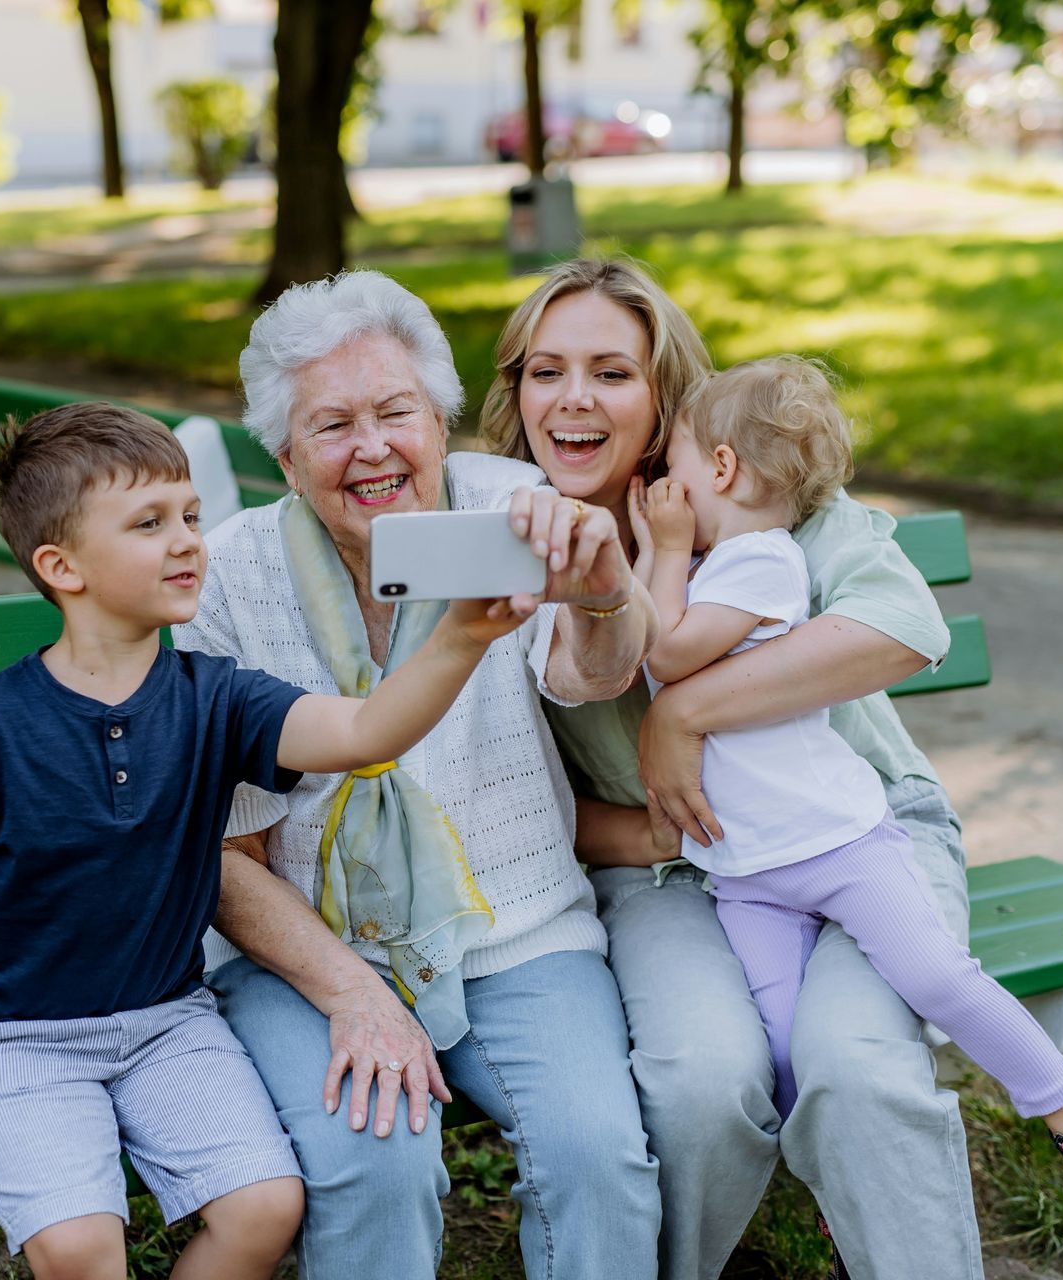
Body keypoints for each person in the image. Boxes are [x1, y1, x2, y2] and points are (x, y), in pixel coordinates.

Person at [0, 402, 533, 1280]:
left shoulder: (218, 699)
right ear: (62, 567)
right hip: (11, 1040)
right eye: (149, 523)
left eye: (192, 516)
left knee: (264, 1207)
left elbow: (364, 732)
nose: (187, 542)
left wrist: (465, 634)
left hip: (167, 1024)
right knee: (81, 1247)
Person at [479, 256, 983, 1279]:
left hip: (856, 835)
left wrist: (688, 711)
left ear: (664, 396)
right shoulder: (499, 532)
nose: (574, 399)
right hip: (669, 871)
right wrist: (640, 831)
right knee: (699, 1081)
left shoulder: (746, 489)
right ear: (516, 393)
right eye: (546, 371)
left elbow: (903, 623)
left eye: (612, 373)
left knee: (860, 1069)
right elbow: (482, 792)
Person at [176, 270, 664, 1280]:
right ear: (285, 455)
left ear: (440, 421)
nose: (372, 448)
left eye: (396, 412)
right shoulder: (226, 579)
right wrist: (354, 990)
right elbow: (225, 856)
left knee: (597, 1155)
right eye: (332, 425)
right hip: (304, 953)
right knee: (376, 1164)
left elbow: (589, 673)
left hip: (516, 926)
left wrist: (608, 593)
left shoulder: (514, 511)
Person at [628, 355, 1063, 1223]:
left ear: (724, 470)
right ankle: (829, 1199)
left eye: (675, 469)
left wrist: (660, 548)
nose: (666, 488)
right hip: (749, 873)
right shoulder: (714, 569)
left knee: (938, 977)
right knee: (783, 1045)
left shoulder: (759, 566)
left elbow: (661, 655)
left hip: (841, 848)